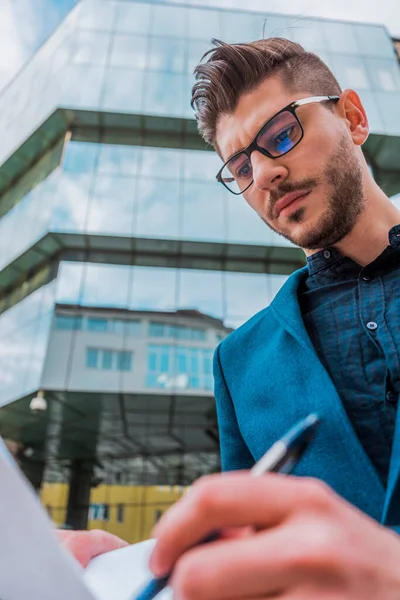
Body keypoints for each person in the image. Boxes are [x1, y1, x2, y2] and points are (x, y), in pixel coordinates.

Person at [63, 37, 400, 598]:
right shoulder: (238, 363)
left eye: (282, 135)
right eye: (240, 166)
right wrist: (138, 571)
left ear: (354, 118)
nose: (264, 174)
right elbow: (251, 547)